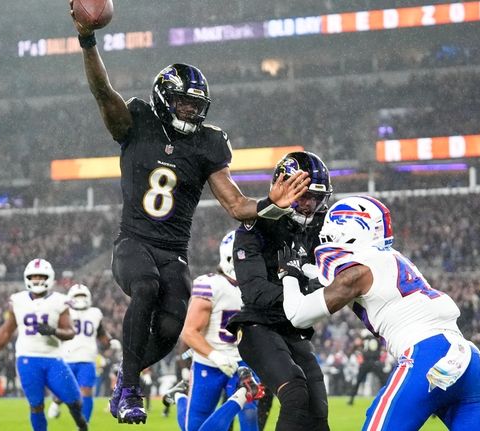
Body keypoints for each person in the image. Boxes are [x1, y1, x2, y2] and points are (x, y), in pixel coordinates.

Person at [68, 2, 310, 424]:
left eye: (197, 105)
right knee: (144, 288)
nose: (191, 111)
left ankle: (126, 378)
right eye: (183, 104)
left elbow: (237, 206)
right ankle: (130, 388)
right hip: (134, 242)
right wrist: (87, 41)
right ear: (164, 99)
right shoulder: (137, 121)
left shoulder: (208, 143)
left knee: (170, 329)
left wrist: (273, 203)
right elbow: (102, 92)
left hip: (174, 251)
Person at [281, 195, 480, 431]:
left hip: (428, 356)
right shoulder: (390, 257)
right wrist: (308, 270)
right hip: (466, 357)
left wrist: (289, 274)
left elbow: (298, 315)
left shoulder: (358, 272)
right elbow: (331, 279)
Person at [227, 151, 333, 431]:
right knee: (295, 393)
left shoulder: (322, 230)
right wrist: (307, 289)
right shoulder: (255, 227)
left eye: (315, 197)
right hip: (257, 326)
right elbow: (256, 294)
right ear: (281, 186)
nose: (309, 204)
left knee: (318, 410)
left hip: (292, 331)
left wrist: (303, 285)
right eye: (302, 195)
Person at [171, 230, 266, 431]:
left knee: (249, 415)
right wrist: (216, 356)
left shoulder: (259, 287)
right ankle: (179, 396)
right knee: (194, 427)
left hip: (243, 362)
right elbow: (189, 332)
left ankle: (242, 394)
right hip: (209, 363)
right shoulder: (211, 284)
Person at [0, 259, 88, 431]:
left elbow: (70, 332)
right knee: (36, 405)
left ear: (50, 277)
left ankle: (81, 425)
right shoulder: (18, 300)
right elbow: (6, 331)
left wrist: (53, 331)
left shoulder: (59, 301)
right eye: (34, 276)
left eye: (41, 276)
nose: (37, 279)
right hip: (27, 359)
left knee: (74, 400)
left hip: (53, 358)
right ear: (27, 278)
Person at [47, 283, 110, 423]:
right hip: (66, 357)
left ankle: (84, 423)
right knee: (63, 391)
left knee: (86, 391)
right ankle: (56, 402)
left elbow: (101, 333)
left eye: (83, 296)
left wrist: (109, 342)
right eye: (77, 296)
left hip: (87, 359)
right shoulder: (64, 311)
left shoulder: (95, 313)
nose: (80, 299)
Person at [347, 329, 386, 406]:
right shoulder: (376, 339)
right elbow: (381, 349)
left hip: (366, 363)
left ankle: (351, 399)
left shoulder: (363, 340)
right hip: (375, 363)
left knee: (358, 381)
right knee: (383, 381)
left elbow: (355, 347)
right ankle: (387, 397)